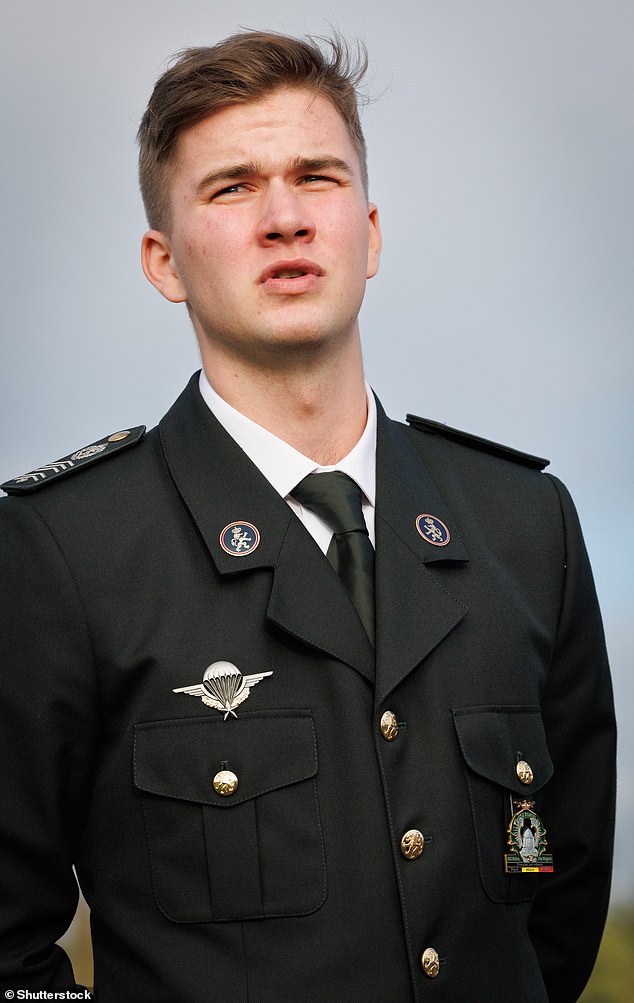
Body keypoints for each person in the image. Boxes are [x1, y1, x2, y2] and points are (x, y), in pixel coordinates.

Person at [0, 30, 616, 1003]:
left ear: (368, 232)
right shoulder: (62, 549)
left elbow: (560, 911)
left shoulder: (523, 525)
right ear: (164, 260)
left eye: (315, 177)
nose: (284, 217)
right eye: (232, 186)